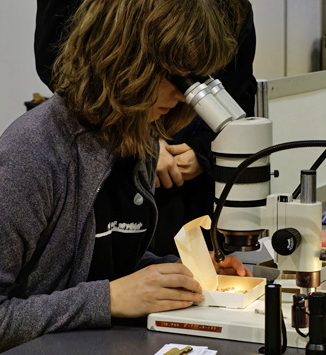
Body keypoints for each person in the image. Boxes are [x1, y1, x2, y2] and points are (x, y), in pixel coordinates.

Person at [0, 0, 251, 355]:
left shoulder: (138, 137)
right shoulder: (32, 155)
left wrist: (186, 276)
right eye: (178, 78)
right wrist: (109, 298)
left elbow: (94, 257)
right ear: (130, 61)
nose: (185, 97)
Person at [34, 0, 258, 256]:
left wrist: (204, 153)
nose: (183, 96)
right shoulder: (32, 155)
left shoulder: (234, 9)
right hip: (114, 148)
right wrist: (139, 135)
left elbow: (239, 92)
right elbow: (60, 64)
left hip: (188, 181)